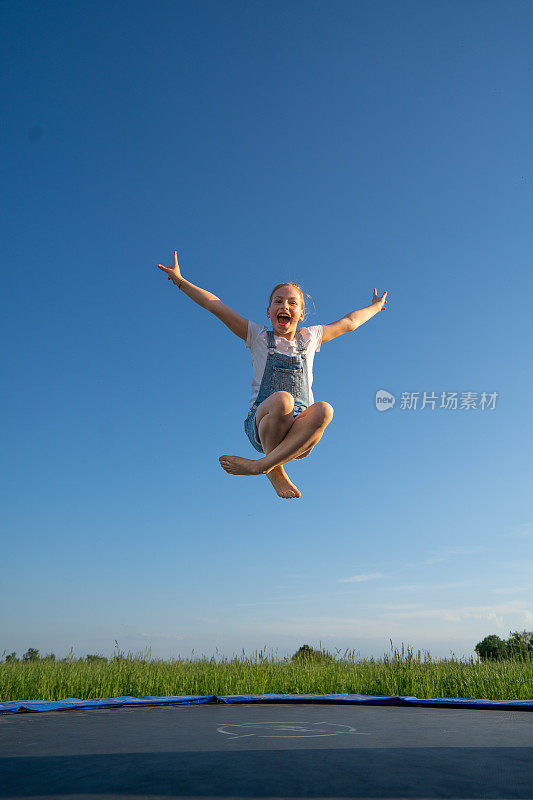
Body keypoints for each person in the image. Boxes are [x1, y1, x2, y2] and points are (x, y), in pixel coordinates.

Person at [157, 251, 387, 499]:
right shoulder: (257, 336)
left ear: (301, 314)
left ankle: (263, 466)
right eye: (278, 302)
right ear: (268, 312)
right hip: (264, 425)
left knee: (325, 410)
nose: (284, 306)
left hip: (299, 434)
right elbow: (214, 305)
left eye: (292, 303)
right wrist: (180, 281)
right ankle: (273, 467)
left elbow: (349, 322)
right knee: (282, 399)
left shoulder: (310, 338)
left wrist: (375, 307)